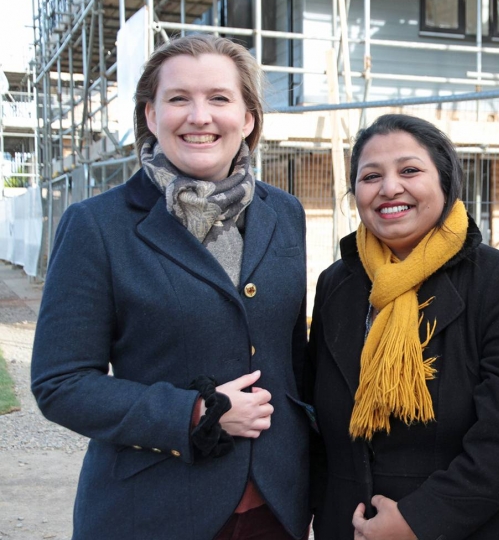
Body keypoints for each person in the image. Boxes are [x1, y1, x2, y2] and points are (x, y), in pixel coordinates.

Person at [30, 34, 311, 540]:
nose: (199, 116)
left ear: (248, 119)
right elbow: (61, 383)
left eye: (219, 99)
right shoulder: (97, 225)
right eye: (179, 98)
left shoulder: (284, 213)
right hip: (153, 510)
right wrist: (195, 413)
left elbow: (292, 358)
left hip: (278, 507)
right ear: (151, 116)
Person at [306, 114, 499, 540]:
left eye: (409, 170)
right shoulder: (336, 284)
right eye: (370, 176)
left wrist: (419, 520)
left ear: (446, 182)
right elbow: (317, 420)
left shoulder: (497, 280)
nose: (389, 188)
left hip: (466, 527)